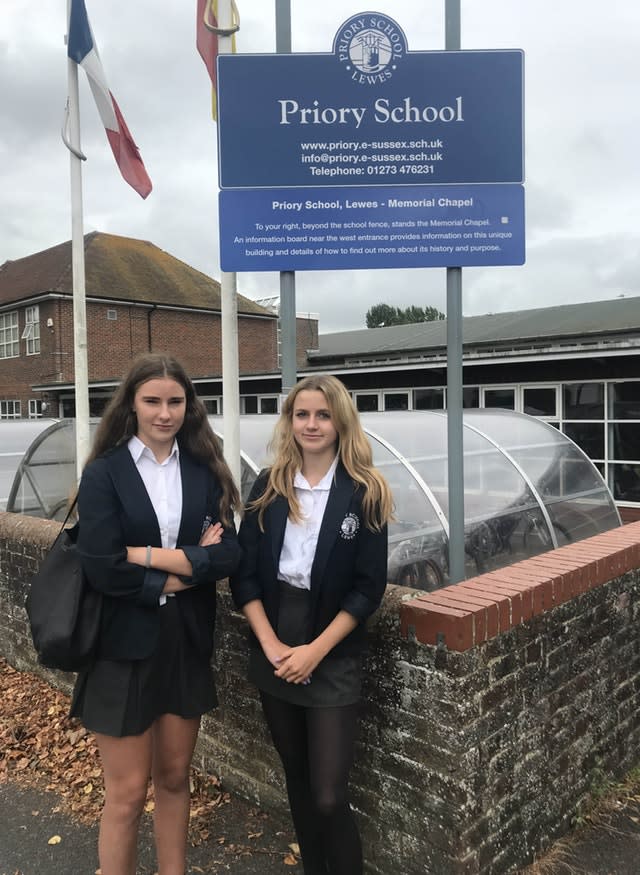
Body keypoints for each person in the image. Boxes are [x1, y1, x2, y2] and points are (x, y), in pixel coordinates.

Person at [70, 353, 241, 875]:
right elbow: (101, 567)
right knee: (124, 794)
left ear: (188, 405)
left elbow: (230, 554)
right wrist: (191, 566)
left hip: (183, 642)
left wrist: (142, 555)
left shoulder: (205, 468)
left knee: (173, 777)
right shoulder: (104, 474)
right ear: (132, 404)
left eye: (174, 401)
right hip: (121, 648)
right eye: (152, 401)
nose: (164, 413)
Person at [230, 375, 393, 875]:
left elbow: (368, 589)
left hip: (331, 651)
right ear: (290, 421)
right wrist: (272, 644)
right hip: (274, 642)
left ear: (340, 420)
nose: (312, 424)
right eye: (302, 414)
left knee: (327, 794)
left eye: (323, 415)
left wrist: (313, 652)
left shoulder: (365, 491)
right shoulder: (268, 486)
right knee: (297, 781)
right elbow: (244, 573)